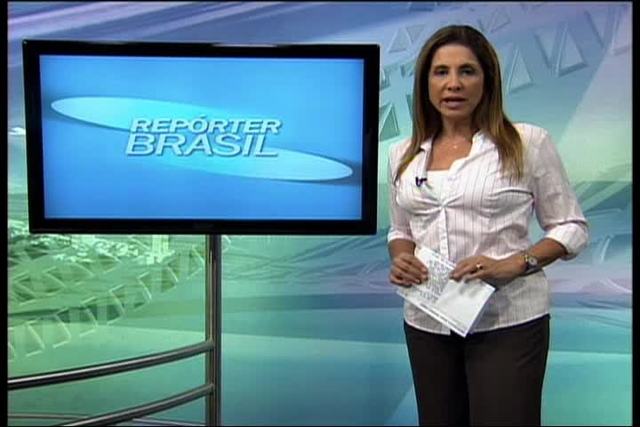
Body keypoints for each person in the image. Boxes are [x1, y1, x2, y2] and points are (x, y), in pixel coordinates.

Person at [387, 25, 589, 426]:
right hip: (427, 322)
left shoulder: (527, 143)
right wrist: (402, 258)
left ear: (488, 80)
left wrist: (516, 263)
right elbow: (401, 231)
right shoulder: (402, 154)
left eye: (467, 71)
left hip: (508, 321)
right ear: (425, 83)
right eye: (441, 72)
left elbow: (571, 226)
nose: (453, 84)